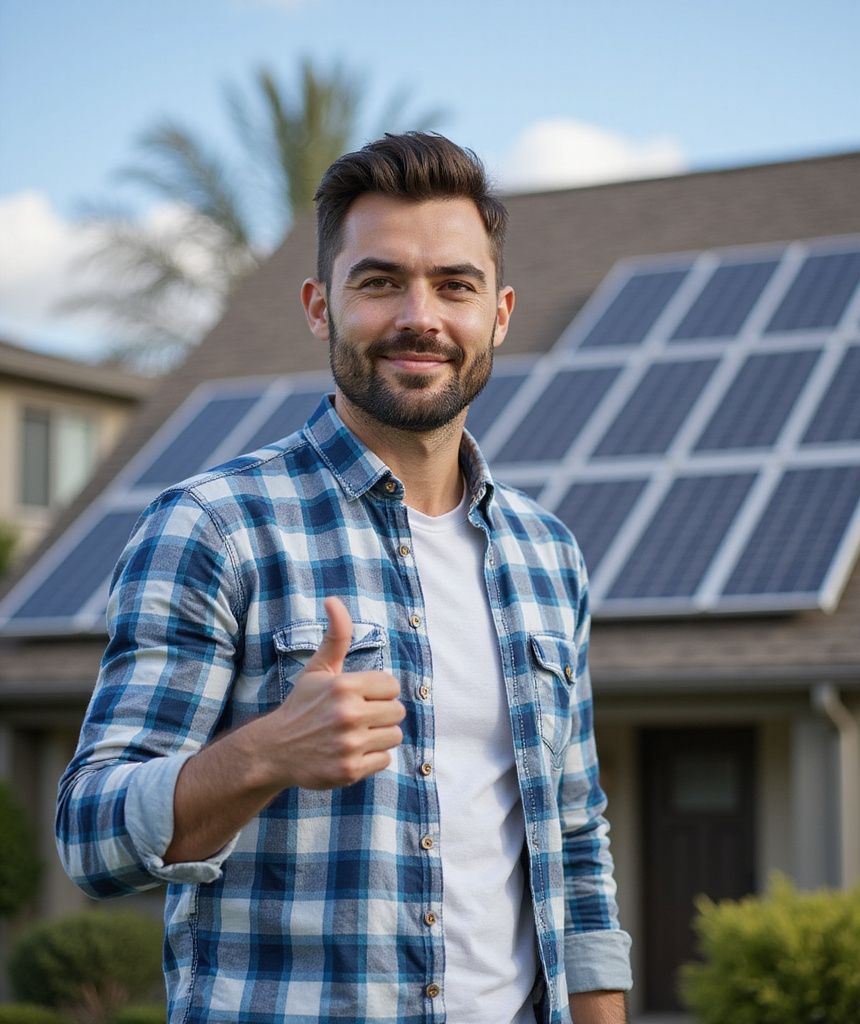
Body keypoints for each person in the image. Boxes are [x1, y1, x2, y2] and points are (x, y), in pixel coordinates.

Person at [56, 132, 632, 1024]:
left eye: (454, 284)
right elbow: (91, 837)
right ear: (321, 307)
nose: (420, 316)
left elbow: (577, 844)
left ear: (501, 312)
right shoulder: (216, 527)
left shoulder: (546, 554)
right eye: (379, 282)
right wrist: (264, 756)